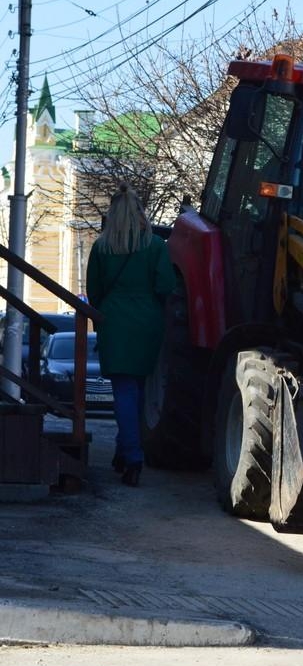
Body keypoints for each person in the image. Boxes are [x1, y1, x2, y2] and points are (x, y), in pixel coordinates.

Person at [86, 183, 176, 487]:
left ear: (112, 215)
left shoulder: (101, 247)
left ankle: (131, 455)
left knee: (123, 391)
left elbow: (94, 292)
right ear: (140, 213)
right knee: (137, 391)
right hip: (147, 322)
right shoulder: (155, 246)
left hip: (114, 322)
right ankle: (125, 451)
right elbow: (166, 286)